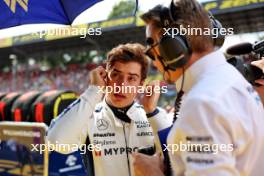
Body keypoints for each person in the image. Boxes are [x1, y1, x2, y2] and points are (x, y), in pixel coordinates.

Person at [132, 0, 264, 175]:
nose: (153, 60)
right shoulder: (231, 79)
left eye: (151, 49)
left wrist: (153, 172)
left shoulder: (201, 104)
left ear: (173, 47)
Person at [47, 43, 167, 176]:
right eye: (116, 75)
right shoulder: (88, 118)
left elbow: (176, 157)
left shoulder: (154, 116)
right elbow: (56, 142)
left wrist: (151, 111)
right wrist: (94, 90)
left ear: (141, 84)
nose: (122, 85)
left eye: (131, 78)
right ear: (105, 77)